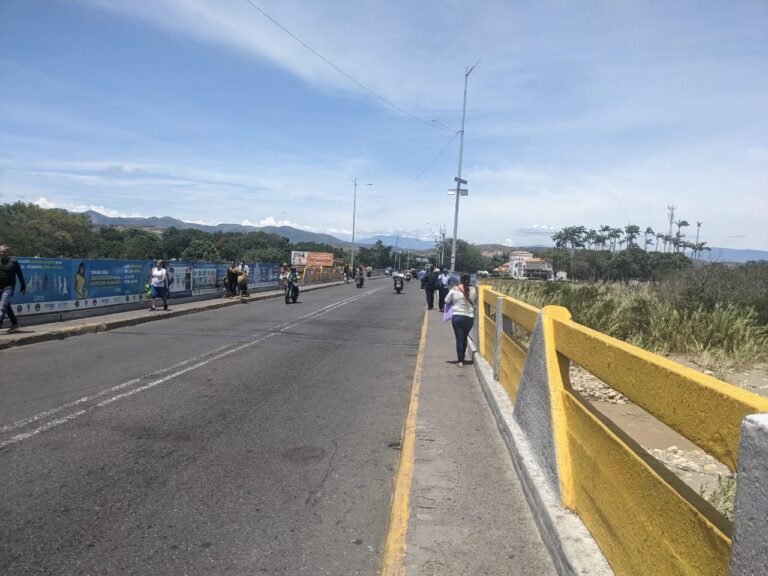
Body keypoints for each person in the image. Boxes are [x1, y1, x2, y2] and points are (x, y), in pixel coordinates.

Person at [444, 273, 477, 368]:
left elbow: (446, 300)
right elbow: (474, 299)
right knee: (465, 337)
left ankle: (460, 361)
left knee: (459, 339)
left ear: (460, 279)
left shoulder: (454, 289)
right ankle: (462, 356)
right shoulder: (473, 290)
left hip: (457, 317)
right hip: (469, 317)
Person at [0, 244, 26, 332]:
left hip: (9, 288)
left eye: (3, 251)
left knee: (2, 306)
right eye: (0, 251)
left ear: (8, 252)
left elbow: (20, 275)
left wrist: (23, 287)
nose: (1, 253)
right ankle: (14, 323)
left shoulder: (14, 261)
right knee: (7, 306)